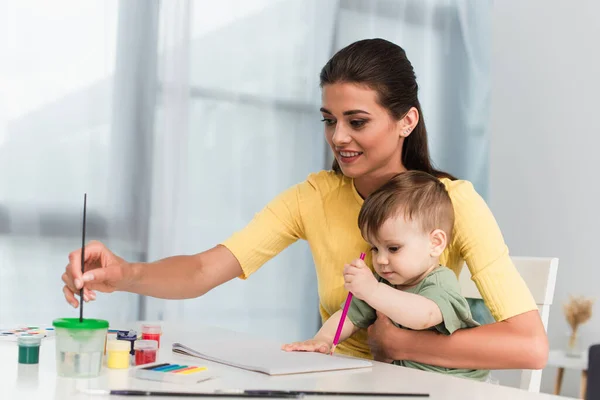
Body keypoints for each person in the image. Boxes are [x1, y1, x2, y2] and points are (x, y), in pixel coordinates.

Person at [61, 38, 548, 370]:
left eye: (357, 121)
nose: (339, 138)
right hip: (335, 383)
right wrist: (124, 275)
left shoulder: (454, 203)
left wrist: (404, 343)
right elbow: (204, 270)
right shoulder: (313, 196)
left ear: (406, 121)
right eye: (328, 119)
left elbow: (529, 347)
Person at [282, 171, 488, 381]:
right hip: (409, 383)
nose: (380, 260)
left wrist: (372, 290)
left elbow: (423, 316)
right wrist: (323, 340)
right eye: (375, 248)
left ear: (435, 243)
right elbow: (349, 317)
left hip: (457, 384)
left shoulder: (440, 281)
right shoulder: (382, 283)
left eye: (393, 248)